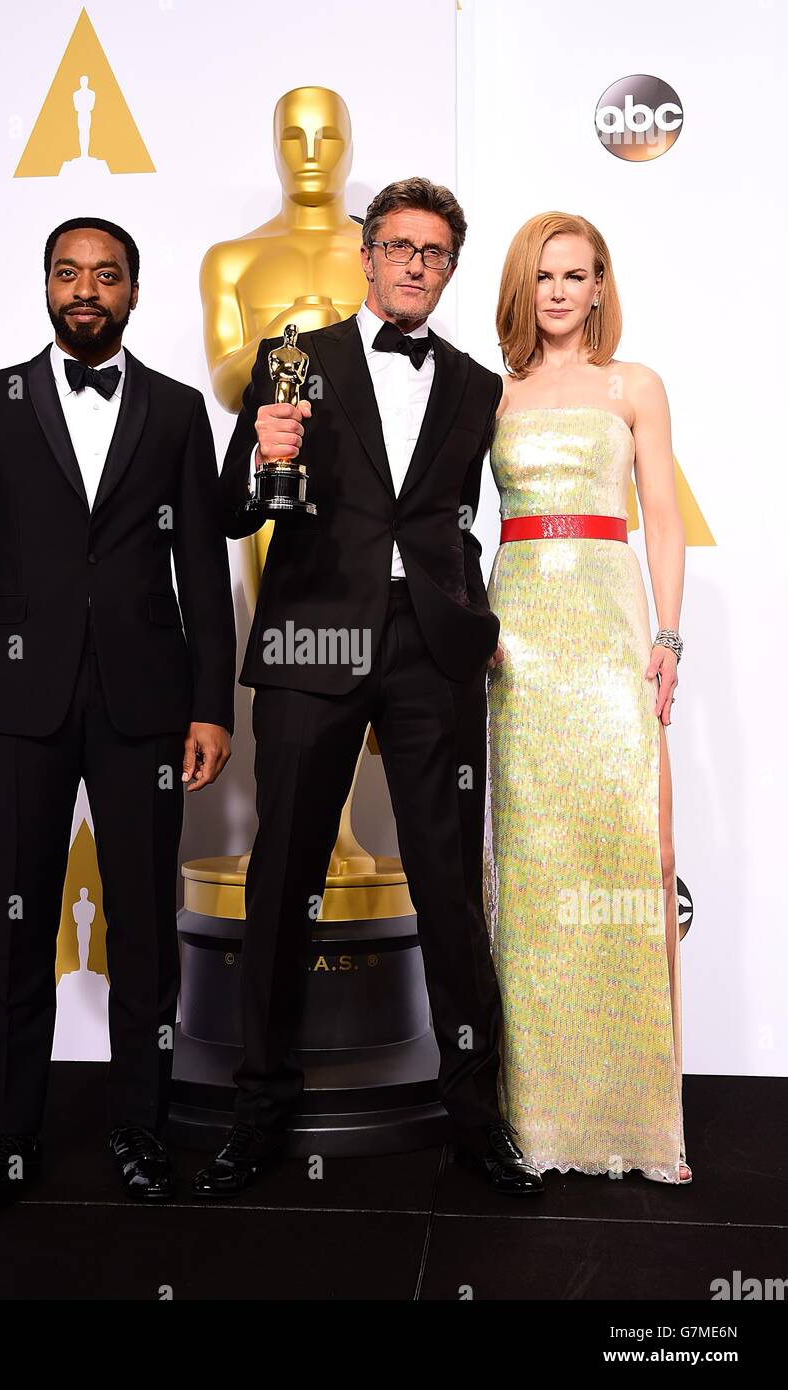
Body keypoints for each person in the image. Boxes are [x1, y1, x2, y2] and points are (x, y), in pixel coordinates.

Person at [194, 177, 544, 1199]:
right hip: (311, 637)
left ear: (449, 266)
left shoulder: (478, 385)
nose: (415, 266)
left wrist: (479, 622)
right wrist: (261, 454)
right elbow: (224, 509)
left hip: (431, 648)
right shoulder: (293, 359)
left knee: (446, 878)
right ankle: (257, 1114)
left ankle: (476, 1117)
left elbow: (471, 519)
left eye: (434, 253)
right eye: (398, 248)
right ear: (366, 255)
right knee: (280, 872)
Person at [0, 217, 236, 1208]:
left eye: (106, 275)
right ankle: (10, 1135)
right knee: (16, 923)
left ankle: (138, 1128)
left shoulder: (180, 411)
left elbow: (203, 572)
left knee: (145, 925)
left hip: (146, 700)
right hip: (17, 700)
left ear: (134, 293)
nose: (85, 289)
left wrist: (209, 705)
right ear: (46, 287)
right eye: (69, 273)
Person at [484, 211, 690, 1185]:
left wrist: (663, 633)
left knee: (614, 852)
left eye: (576, 274)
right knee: (526, 866)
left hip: (606, 630)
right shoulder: (494, 391)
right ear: (522, 289)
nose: (559, 291)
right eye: (543, 275)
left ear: (600, 284)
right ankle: (534, 1119)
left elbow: (661, 519)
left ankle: (627, 1113)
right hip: (514, 634)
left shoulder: (632, 386)